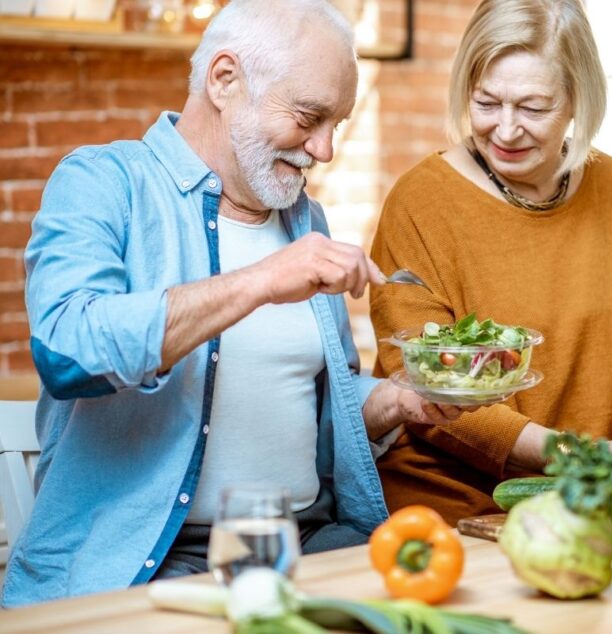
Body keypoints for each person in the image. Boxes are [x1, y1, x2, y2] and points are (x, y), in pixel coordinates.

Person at [1, 0, 459, 608]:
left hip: (312, 543)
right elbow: (68, 351)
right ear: (224, 79)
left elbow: (307, 405)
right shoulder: (103, 183)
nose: (323, 150)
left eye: (337, 125)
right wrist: (262, 279)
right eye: (308, 116)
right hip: (152, 563)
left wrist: (395, 401)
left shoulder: (304, 219)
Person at [369, 0, 612, 525]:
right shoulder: (421, 201)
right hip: (464, 515)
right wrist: (580, 457)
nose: (505, 130)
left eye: (532, 108)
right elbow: (424, 388)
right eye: (486, 103)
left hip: (601, 504)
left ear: (578, 101)